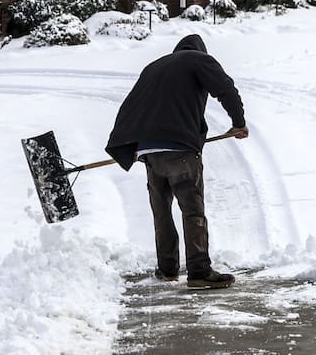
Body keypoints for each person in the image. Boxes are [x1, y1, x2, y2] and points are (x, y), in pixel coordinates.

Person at [106, 33, 249, 289]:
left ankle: (167, 268)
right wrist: (238, 122)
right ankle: (199, 271)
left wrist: (130, 146)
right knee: (192, 209)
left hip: (149, 151)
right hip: (180, 150)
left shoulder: (154, 67)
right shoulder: (199, 60)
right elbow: (226, 89)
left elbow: (129, 106)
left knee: (162, 212)